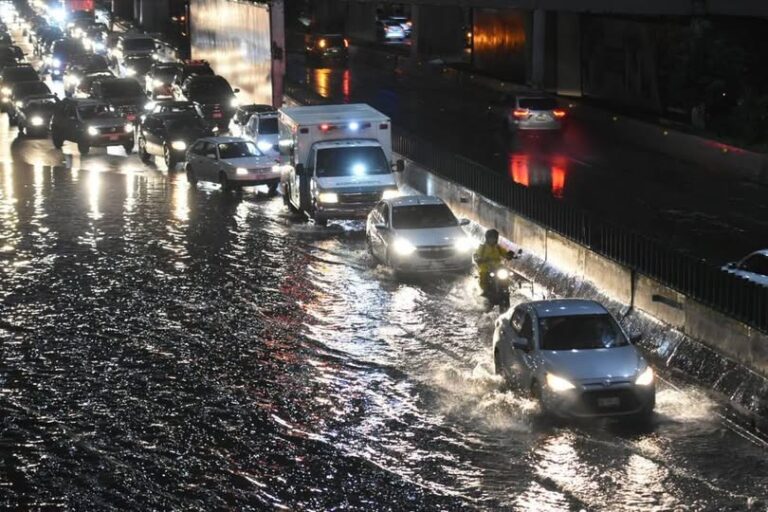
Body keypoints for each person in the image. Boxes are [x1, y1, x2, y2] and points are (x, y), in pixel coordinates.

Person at [474, 229, 515, 295]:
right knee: (483, 275)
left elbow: (504, 253)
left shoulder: (498, 247)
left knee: (506, 273)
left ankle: (506, 286)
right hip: (486, 267)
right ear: (487, 238)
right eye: (491, 238)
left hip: (497, 266)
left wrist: (509, 255)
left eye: (494, 238)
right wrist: (478, 258)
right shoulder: (482, 247)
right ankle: (484, 290)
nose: (492, 240)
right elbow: (476, 255)